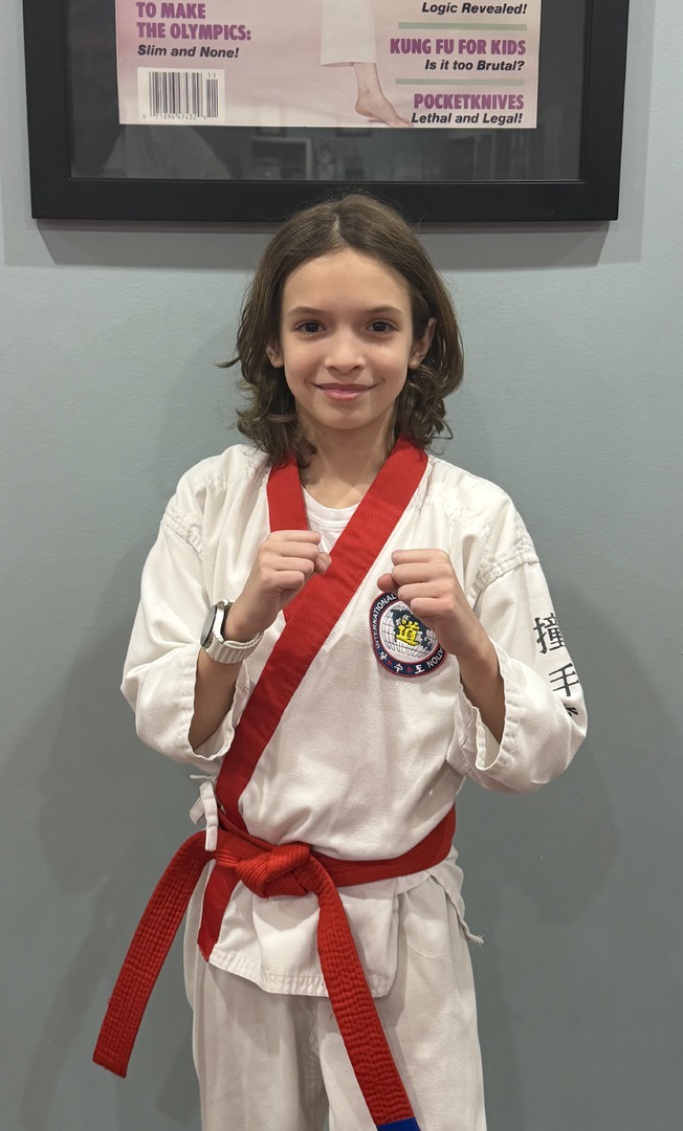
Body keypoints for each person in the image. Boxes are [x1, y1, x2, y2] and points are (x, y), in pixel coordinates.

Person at [94, 193, 586, 1131]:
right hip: (249, 917)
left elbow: (546, 744)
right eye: (312, 325)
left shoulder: (474, 518)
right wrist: (240, 620)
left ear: (423, 342)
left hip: (401, 924)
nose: (346, 356)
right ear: (271, 342)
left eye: (379, 326)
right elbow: (161, 711)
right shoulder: (214, 499)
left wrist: (470, 640)